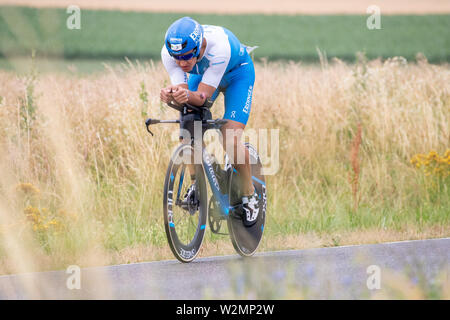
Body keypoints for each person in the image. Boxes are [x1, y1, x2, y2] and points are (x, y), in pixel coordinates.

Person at [160, 17, 258, 227]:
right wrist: (172, 94)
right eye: (176, 58)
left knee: (229, 138)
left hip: (237, 75)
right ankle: (198, 183)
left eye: (186, 56)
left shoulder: (219, 48)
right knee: (188, 127)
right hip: (205, 73)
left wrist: (184, 95)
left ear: (199, 47)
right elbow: (184, 91)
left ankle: (250, 194)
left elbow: (202, 97)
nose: (181, 63)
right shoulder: (170, 54)